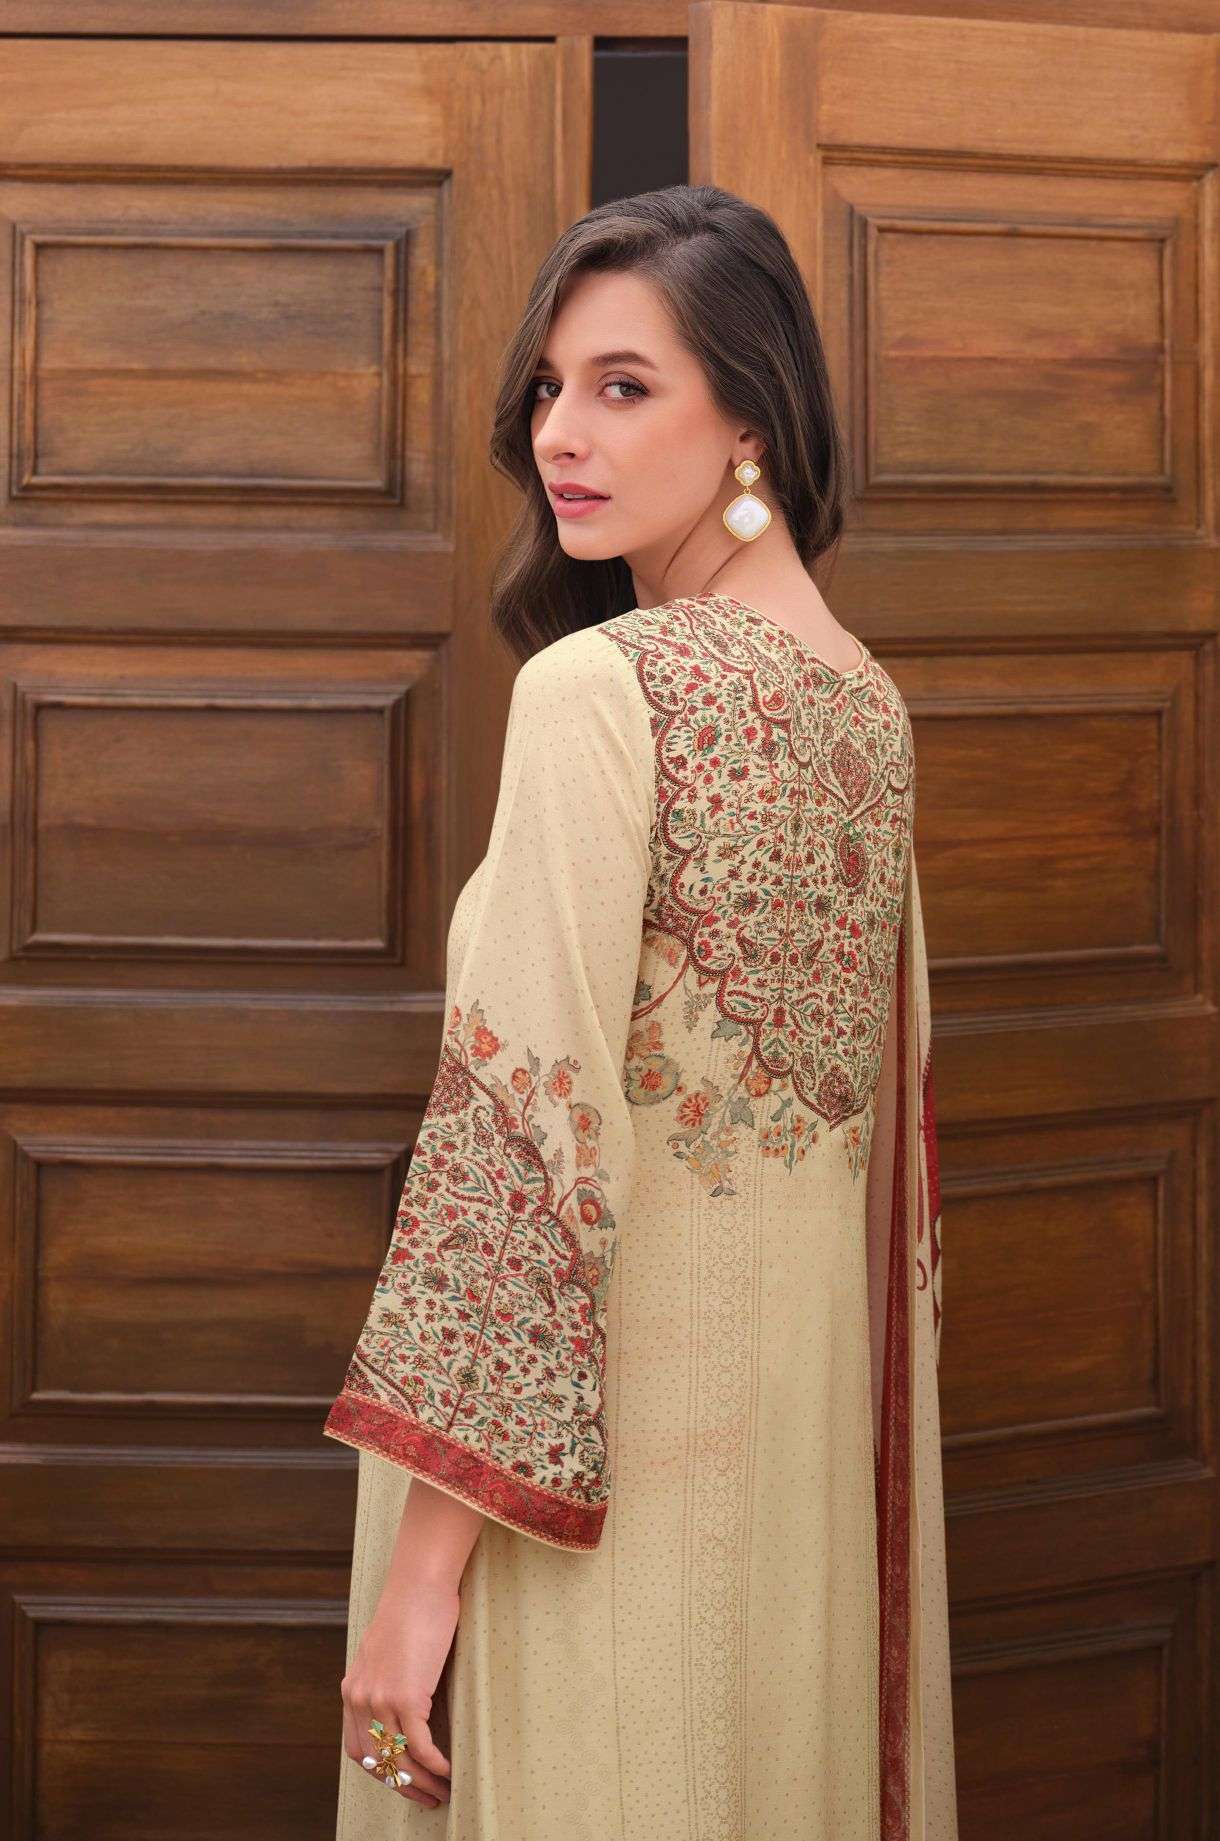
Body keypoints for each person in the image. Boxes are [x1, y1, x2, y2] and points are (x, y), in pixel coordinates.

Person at [323, 182, 958, 1841]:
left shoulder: (599, 691)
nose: (561, 433)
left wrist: (424, 1575)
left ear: (752, 416)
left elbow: (522, 1143)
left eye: (623, 385)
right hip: (794, 1506)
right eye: (551, 387)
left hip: (571, 1511)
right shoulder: (869, 708)